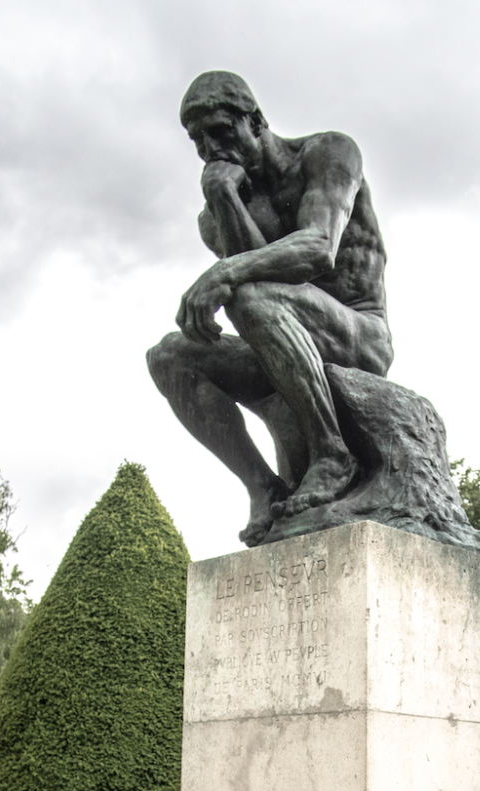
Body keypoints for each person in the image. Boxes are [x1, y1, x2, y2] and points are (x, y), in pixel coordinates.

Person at [147, 71, 393, 546]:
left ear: (255, 120)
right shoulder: (215, 213)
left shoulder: (327, 154)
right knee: (169, 356)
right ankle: (262, 487)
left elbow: (318, 248)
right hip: (278, 335)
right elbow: (251, 270)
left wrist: (224, 274)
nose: (209, 148)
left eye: (220, 130)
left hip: (356, 333)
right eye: (197, 140)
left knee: (244, 288)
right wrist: (223, 197)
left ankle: (332, 454)